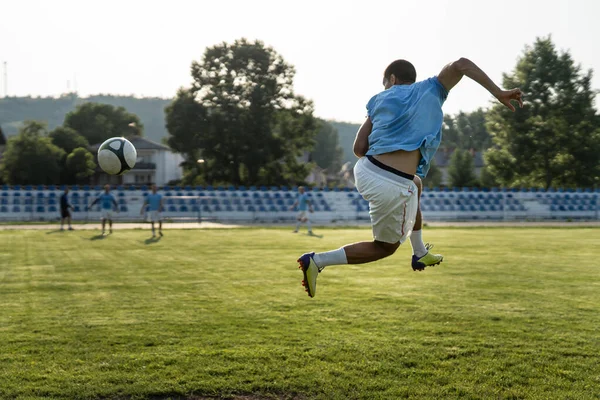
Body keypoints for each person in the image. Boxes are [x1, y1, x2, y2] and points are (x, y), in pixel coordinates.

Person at [297, 58, 523, 298]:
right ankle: (317, 260)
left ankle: (420, 252)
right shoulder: (432, 88)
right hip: (390, 182)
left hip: (366, 169)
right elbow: (461, 64)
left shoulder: (378, 99)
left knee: (415, 183)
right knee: (384, 247)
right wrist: (498, 92)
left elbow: (358, 148)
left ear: (392, 79)